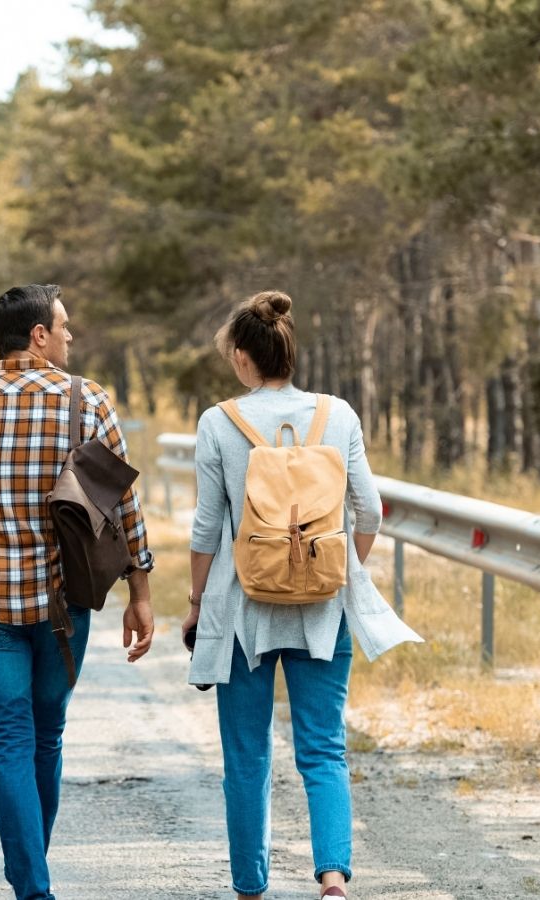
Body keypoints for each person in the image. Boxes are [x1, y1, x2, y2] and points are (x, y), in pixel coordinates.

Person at [0, 283, 157, 900]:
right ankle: (33, 880)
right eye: (63, 326)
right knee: (47, 735)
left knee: (8, 744)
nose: (71, 335)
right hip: (65, 606)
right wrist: (140, 593)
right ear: (37, 335)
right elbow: (124, 506)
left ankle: (32, 886)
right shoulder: (88, 400)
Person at [182, 291, 420, 900]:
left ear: (242, 357)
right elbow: (369, 508)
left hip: (242, 611)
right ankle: (334, 879)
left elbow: (208, 526)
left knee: (246, 754)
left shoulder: (218, 422)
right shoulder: (338, 416)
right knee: (322, 746)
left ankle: (249, 885)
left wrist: (193, 601)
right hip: (322, 608)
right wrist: (340, 570)